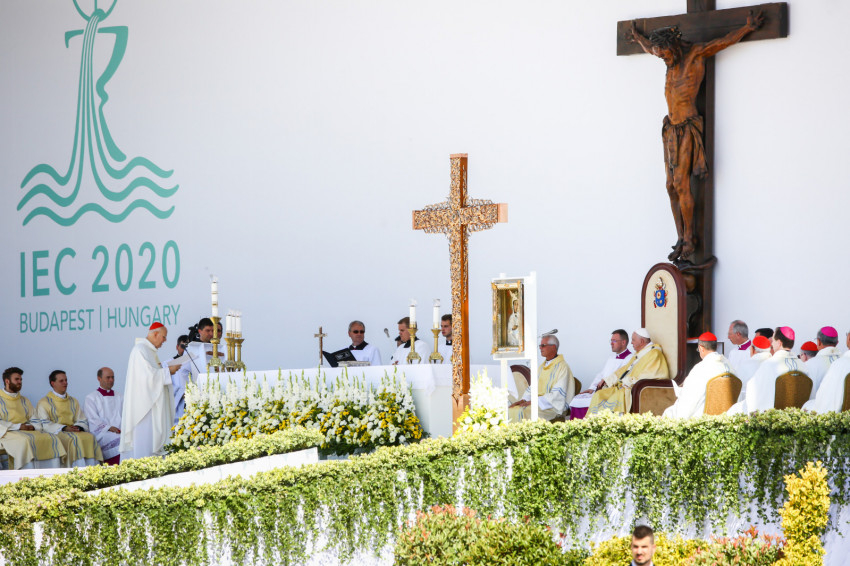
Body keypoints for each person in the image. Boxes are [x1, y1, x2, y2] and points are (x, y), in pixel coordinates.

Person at [627, 12, 763, 261]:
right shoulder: (666, 58)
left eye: (665, 54)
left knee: (681, 183)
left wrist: (747, 28)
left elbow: (723, 42)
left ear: (674, 46)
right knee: (670, 186)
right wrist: (638, 38)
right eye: (660, 55)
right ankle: (680, 236)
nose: (663, 59)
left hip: (687, 127)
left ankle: (690, 237)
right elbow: (649, 48)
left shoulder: (695, 55)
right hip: (670, 129)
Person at [121, 322, 178, 460]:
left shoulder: (149, 351)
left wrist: (166, 371)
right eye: (164, 337)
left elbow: (153, 374)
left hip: (151, 404)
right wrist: (168, 371)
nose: (165, 340)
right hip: (145, 409)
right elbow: (148, 378)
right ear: (155, 334)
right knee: (145, 445)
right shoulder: (140, 350)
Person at [728, 326, 811, 414]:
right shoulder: (803, 366)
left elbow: (753, 392)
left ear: (779, 343)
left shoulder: (769, 365)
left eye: (773, 340)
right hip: (797, 415)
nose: (771, 344)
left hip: (774, 415)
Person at [588, 328, 669, 415]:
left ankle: (607, 422)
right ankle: (593, 421)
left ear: (641, 341)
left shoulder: (654, 354)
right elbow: (624, 370)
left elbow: (650, 375)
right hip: (624, 387)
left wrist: (627, 382)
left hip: (634, 389)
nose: (631, 343)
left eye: (633, 340)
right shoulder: (639, 354)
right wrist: (608, 380)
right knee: (599, 395)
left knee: (613, 399)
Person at [0, 367, 65, 470]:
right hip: (6, 432)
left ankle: (50, 474)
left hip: (25, 430)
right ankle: (25, 475)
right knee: (24, 441)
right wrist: (18, 426)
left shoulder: (24, 400)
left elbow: (34, 418)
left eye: (21, 379)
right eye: (16, 379)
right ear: (7, 381)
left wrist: (33, 426)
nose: (20, 382)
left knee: (51, 438)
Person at [37, 370, 103, 468]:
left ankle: (93, 470)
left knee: (90, 437)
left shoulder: (73, 401)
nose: (65, 383)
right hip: (57, 432)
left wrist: (78, 427)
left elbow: (82, 419)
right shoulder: (44, 402)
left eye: (66, 380)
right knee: (75, 439)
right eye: (61, 381)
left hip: (74, 430)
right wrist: (64, 428)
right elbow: (45, 424)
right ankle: (77, 470)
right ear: (53, 383)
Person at [663, 332, 732, 418]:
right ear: (716, 346)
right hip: (726, 417)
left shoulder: (701, 369)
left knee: (668, 413)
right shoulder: (729, 365)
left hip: (705, 418)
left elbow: (689, 402)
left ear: (701, 348)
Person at [508, 334, 575, 422]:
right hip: (537, 403)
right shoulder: (541, 367)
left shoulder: (563, 367)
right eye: (540, 345)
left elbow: (557, 395)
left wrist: (535, 402)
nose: (540, 348)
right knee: (512, 409)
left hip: (551, 407)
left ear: (553, 347)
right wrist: (523, 400)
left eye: (543, 345)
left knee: (524, 411)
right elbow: (532, 388)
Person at [569, 329, 632, 420]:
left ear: (623, 342)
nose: (611, 343)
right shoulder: (611, 358)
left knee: (588, 402)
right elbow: (601, 374)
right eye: (611, 340)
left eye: (614, 341)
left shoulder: (629, 359)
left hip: (612, 393)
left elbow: (621, 378)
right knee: (577, 400)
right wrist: (592, 388)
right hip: (600, 390)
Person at [84, 367, 123, 465]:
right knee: (119, 441)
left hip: (120, 430)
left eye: (113, 377)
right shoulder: (91, 398)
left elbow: (125, 415)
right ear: (99, 378)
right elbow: (92, 419)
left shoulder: (120, 396)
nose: (111, 380)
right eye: (108, 377)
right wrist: (109, 427)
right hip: (103, 433)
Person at [803, 330, 850, 413]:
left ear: (818, 342)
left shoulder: (840, 364)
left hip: (839, 415)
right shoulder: (840, 360)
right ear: (837, 343)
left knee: (807, 406)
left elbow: (825, 403)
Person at [803, 326, 841, 398]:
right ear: (837, 343)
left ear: (819, 341)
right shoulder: (845, 361)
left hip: (819, 404)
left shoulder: (810, 364)